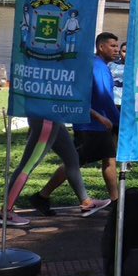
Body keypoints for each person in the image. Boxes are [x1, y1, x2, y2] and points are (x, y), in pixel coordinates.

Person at [35, 32, 122, 205]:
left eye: (117, 46)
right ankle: (42, 196)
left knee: (109, 160)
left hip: (99, 125)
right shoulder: (98, 67)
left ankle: (116, 201)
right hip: (92, 126)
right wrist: (118, 121)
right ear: (101, 47)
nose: (116, 50)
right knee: (73, 163)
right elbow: (104, 98)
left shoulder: (100, 66)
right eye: (112, 46)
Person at [0, 118, 111, 226]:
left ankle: (86, 203)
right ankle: (6, 211)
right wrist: (98, 116)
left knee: (72, 158)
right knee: (27, 165)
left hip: (54, 119)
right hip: (46, 121)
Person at [108, 40, 127, 108]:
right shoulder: (111, 65)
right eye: (124, 51)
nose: (126, 54)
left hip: (127, 102)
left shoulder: (136, 67)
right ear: (120, 52)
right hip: (113, 100)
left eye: (129, 52)